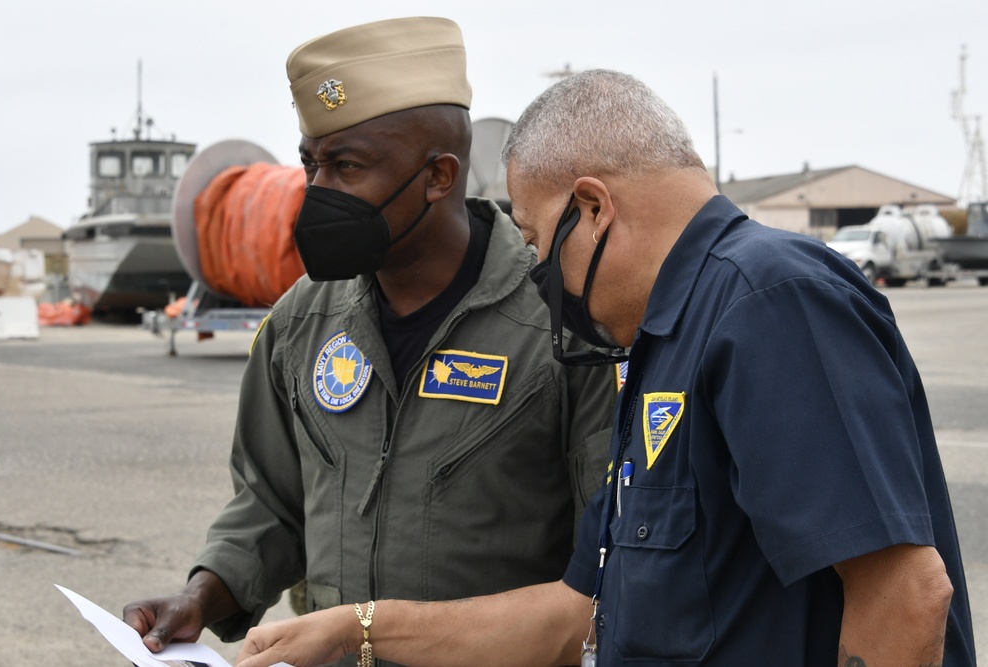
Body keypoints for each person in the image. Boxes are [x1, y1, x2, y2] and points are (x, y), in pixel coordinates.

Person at [233, 69, 977, 667]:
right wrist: (354, 630)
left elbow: (904, 597)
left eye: (531, 239)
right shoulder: (662, 343)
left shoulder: (768, 304)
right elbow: (571, 616)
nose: (531, 269)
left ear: (591, 207)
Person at [122, 19, 617, 667]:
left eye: (346, 166)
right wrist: (202, 592)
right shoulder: (300, 322)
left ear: (440, 175)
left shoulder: (563, 327)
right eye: (310, 163)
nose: (317, 191)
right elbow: (272, 501)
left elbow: (609, 570)